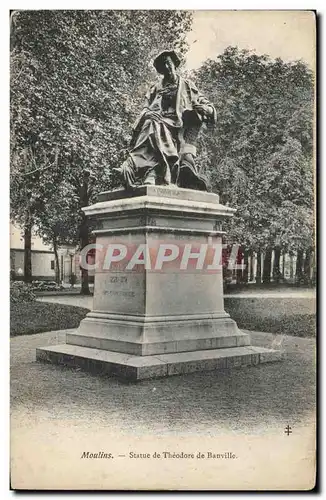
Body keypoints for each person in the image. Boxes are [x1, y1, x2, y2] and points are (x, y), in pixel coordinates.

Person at [115, 49, 216, 190]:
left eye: (168, 63)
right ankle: (148, 169)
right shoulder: (156, 88)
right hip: (159, 120)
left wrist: (208, 109)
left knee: (154, 125)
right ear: (161, 70)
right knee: (151, 123)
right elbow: (145, 108)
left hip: (179, 124)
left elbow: (207, 105)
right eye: (163, 66)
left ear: (174, 64)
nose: (167, 68)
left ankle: (138, 167)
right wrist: (147, 114)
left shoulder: (187, 86)